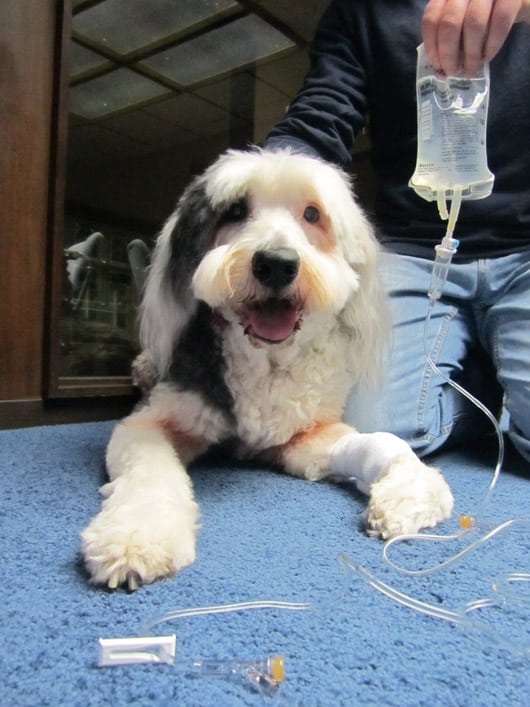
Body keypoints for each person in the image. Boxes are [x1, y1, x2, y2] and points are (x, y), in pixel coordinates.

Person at [265, 0, 530, 463]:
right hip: (414, 249)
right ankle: (482, 390)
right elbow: (321, 118)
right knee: (375, 431)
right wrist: (258, 187)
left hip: (524, 250)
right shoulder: (361, 12)